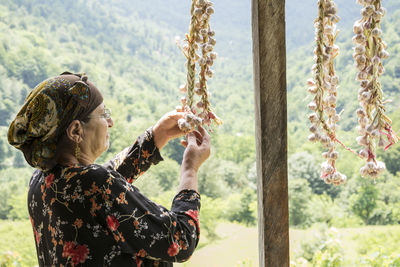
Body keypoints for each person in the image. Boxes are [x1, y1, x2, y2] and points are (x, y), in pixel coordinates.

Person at [7, 72, 211, 266]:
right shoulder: (96, 184)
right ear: (76, 130)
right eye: (104, 114)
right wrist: (190, 170)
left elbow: (102, 188)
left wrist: (158, 135)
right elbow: (181, 240)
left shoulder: (41, 180)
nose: (111, 122)